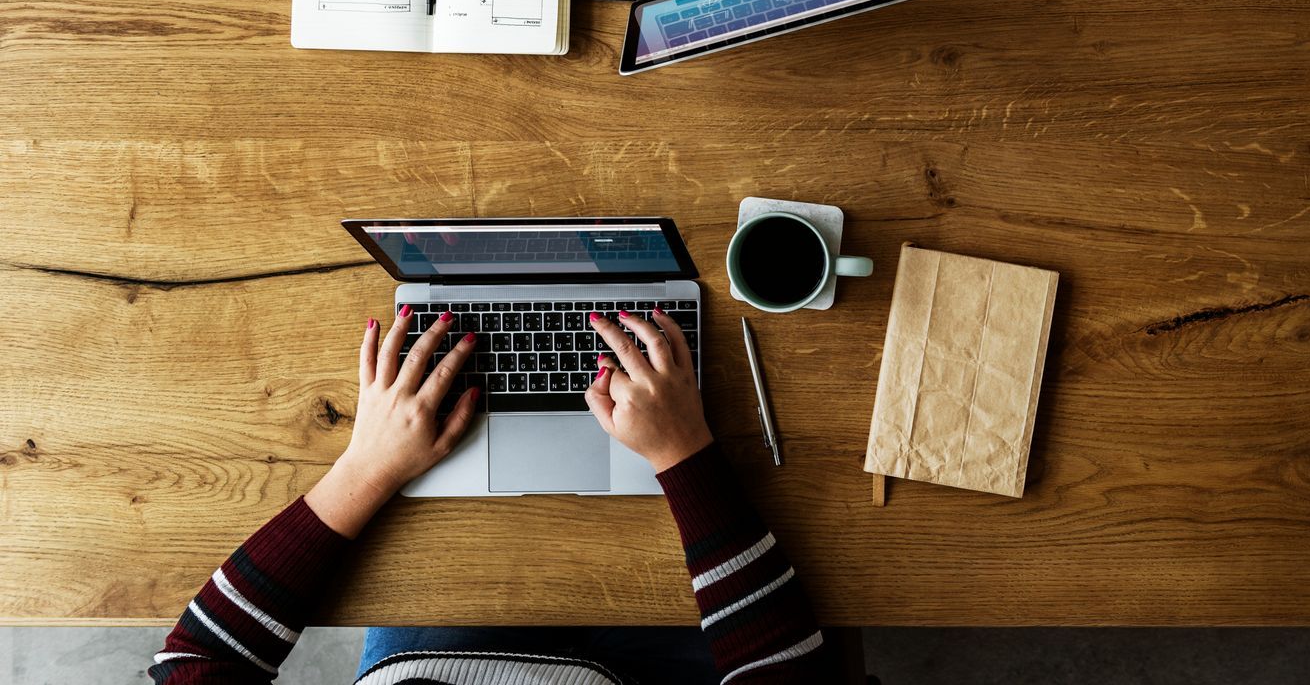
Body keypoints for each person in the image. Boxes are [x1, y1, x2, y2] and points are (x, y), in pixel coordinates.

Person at [149, 306, 832, 683]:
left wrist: (367, 467)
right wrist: (683, 454)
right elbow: (784, 672)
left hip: (442, 663)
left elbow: (197, 663)